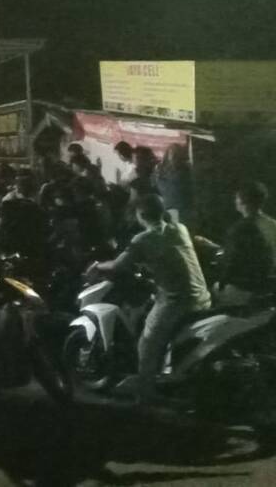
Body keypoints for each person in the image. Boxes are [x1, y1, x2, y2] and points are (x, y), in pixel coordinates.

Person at [88, 192, 210, 400]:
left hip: (176, 303)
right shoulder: (180, 229)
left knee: (146, 342)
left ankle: (145, 393)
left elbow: (118, 265)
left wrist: (97, 266)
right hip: (203, 298)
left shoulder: (143, 239)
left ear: (141, 215)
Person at [218, 182, 276, 305]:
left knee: (213, 289)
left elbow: (231, 264)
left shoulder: (240, 229)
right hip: (270, 287)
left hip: (250, 290)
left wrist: (222, 284)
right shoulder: (272, 224)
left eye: (237, 198)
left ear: (243, 201)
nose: (235, 201)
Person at [0, 172, 48, 279]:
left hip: (9, 251)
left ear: (17, 191)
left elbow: (0, 228)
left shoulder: (7, 206)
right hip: (31, 254)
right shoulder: (39, 210)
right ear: (35, 192)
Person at [158, 144, 194, 227]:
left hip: (177, 207)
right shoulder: (162, 170)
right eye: (172, 154)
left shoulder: (184, 171)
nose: (172, 157)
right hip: (174, 206)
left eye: (175, 154)